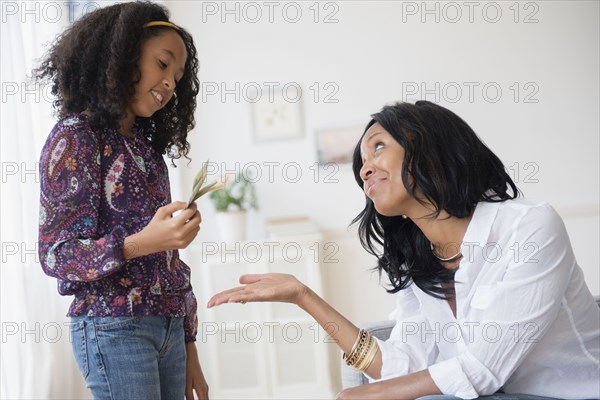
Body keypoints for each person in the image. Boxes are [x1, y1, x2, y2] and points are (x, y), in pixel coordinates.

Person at [208, 101, 600, 399]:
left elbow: (481, 371)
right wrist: (303, 296)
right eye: (361, 161)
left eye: (378, 147)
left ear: (431, 149)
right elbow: (401, 367)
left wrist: (359, 395)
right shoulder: (420, 262)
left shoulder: (528, 226)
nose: (364, 168)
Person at [36, 2, 209, 399]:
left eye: (178, 77)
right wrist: (146, 241)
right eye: (162, 64)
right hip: (112, 326)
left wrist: (188, 344)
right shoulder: (75, 138)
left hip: (166, 326)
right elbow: (56, 254)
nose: (169, 83)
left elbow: (168, 262)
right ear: (124, 55)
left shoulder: (147, 150)